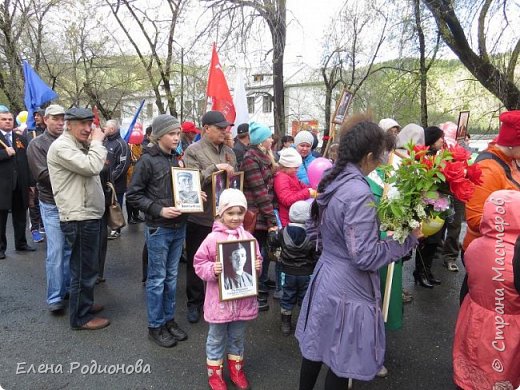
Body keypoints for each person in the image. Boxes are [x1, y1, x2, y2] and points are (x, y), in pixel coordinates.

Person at [295, 121, 421, 388]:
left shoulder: (334, 178)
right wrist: (407, 240)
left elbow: (312, 226)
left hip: (327, 274)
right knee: (342, 358)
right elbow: (364, 256)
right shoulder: (359, 192)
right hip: (348, 287)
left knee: (318, 345)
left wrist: (333, 247)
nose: (385, 160)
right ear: (368, 157)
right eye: (382, 154)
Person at [127, 114, 193, 347]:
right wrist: (159, 210)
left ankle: (168, 320)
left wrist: (195, 197)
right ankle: (155, 326)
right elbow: (133, 195)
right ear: (159, 135)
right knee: (157, 279)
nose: (177, 138)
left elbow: (181, 189)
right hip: (159, 228)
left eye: (178, 133)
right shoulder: (147, 161)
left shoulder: (176, 158)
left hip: (178, 225)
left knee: (172, 278)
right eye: (172, 134)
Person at [47, 107, 109, 330]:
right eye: (81, 124)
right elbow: (92, 166)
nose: (87, 128)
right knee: (82, 268)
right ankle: (80, 318)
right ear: (68, 125)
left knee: (87, 266)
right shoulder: (62, 146)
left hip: (87, 214)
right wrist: (98, 143)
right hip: (78, 216)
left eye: (89, 123)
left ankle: (84, 304)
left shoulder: (75, 144)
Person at [194, 188, 262, 390]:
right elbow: (199, 263)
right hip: (219, 304)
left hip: (242, 303)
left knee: (238, 337)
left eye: (240, 212)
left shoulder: (249, 239)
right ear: (220, 213)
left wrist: (257, 266)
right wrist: (212, 270)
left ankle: (236, 370)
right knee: (215, 339)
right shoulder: (212, 239)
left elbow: (256, 258)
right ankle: (215, 375)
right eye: (230, 213)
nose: (235, 217)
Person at [453, 190, 520, 389]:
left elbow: (468, 285)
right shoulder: (516, 256)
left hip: (475, 316)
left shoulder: (475, 246)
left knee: (473, 356)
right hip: (507, 325)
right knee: (500, 367)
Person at [183, 110, 236, 323]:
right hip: (201, 217)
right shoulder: (193, 150)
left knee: (224, 260)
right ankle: (194, 303)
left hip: (224, 218)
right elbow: (189, 181)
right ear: (206, 129)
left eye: (226, 127)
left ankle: (223, 300)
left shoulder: (229, 152)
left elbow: (235, 181)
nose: (225, 131)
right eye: (220, 128)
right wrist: (216, 168)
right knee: (198, 260)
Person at [461, 110, 520, 301]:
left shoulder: (510, 161)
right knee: (489, 313)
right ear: (512, 144)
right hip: (490, 258)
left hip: (505, 253)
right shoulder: (489, 168)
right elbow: (475, 219)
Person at [27, 104, 72, 313]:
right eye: (55, 118)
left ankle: (68, 289)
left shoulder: (72, 141)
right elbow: (43, 177)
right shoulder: (36, 144)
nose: (60, 122)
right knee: (56, 251)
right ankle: (54, 297)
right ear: (45, 120)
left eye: (63, 118)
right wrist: (74, 171)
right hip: (52, 205)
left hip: (73, 203)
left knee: (71, 250)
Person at [241, 121, 278, 311]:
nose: (272, 139)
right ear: (262, 140)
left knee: (261, 255)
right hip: (256, 214)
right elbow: (260, 192)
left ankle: (259, 290)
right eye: (269, 136)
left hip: (264, 213)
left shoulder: (264, 156)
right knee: (254, 256)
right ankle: (253, 294)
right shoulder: (250, 158)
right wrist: (272, 219)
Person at [269, 200, 319, 336]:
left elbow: (273, 242)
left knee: (287, 296)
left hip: (287, 271)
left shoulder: (283, 232)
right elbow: (316, 253)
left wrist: (271, 234)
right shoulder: (312, 234)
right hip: (306, 273)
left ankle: (286, 324)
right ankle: (304, 325)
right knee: (305, 298)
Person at [413, 126, 445, 288]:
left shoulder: (439, 156)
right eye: (440, 138)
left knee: (434, 241)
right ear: (432, 140)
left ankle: (427, 270)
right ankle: (420, 272)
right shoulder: (422, 157)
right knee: (426, 240)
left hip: (438, 204)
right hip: (425, 205)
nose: (442, 141)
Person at [0, 108, 35, 260]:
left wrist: (31, 183)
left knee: (20, 216)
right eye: (4, 119)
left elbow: (27, 162)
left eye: (10, 119)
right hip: (2, 185)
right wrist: (3, 153)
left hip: (20, 184)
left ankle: (21, 243)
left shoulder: (20, 138)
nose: (8, 121)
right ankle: (1, 248)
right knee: (1, 219)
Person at [274, 147, 315, 227]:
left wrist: (312, 188)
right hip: (288, 218)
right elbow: (286, 199)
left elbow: (302, 187)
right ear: (286, 166)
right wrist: (307, 192)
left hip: (294, 216)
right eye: (295, 167)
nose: (298, 170)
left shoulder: (291, 175)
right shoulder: (281, 178)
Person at [104, 119, 131, 239]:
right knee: (105, 205)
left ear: (112, 129)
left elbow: (123, 165)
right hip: (103, 182)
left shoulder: (122, 144)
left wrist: (111, 178)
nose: (104, 129)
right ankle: (106, 226)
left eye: (106, 127)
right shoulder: (104, 142)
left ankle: (116, 228)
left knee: (116, 205)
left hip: (116, 184)